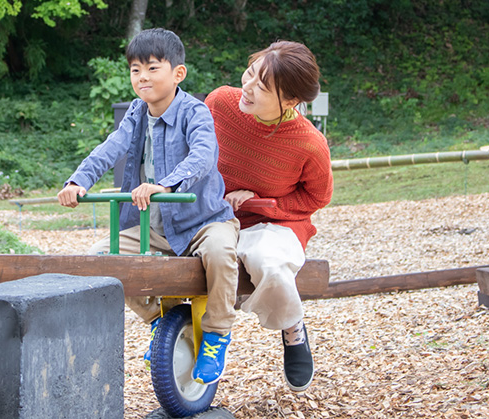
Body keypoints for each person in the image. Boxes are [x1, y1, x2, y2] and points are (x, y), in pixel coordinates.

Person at [58, 28, 240, 385]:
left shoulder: (195, 112)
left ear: (178, 73)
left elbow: (203, 155)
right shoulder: (137, 113)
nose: (142, 77)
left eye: (152, 68)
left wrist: (166, 183)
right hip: (154, 228)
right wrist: (78, 181)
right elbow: (111, 147)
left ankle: (217, 334)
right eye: (135, 69)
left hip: (202, 221)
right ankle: (158, 319)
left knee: (221, 253)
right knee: (100, 259)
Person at [205, 40, 333, 393]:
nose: (247, 87)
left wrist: (263, 203)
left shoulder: (309, 143)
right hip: (217, 214)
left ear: (290, 101)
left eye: (261, 86)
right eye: (249, 73)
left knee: (269, 262)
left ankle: (293, 329)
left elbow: (317, 196)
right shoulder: (220, 103)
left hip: (275, 222)